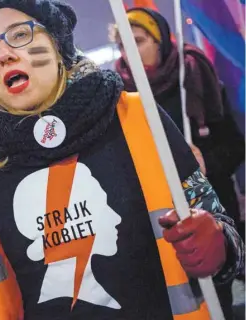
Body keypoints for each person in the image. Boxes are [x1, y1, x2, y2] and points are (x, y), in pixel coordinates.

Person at [0, 0, 245, 319]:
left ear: (57, 44)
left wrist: (220, 243)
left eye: (20, 34)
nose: (3, 54)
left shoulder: (137, 116)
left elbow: (223, 232)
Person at [111, 7, 245, 319]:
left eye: (139, 40)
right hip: (157, 224)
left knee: (217, 299)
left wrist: (203, 162)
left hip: (210, 213)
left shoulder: (194, 75)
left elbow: (235, 144)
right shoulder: (119, 98)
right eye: (122, 45)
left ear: (160, 41)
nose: (129, 51)